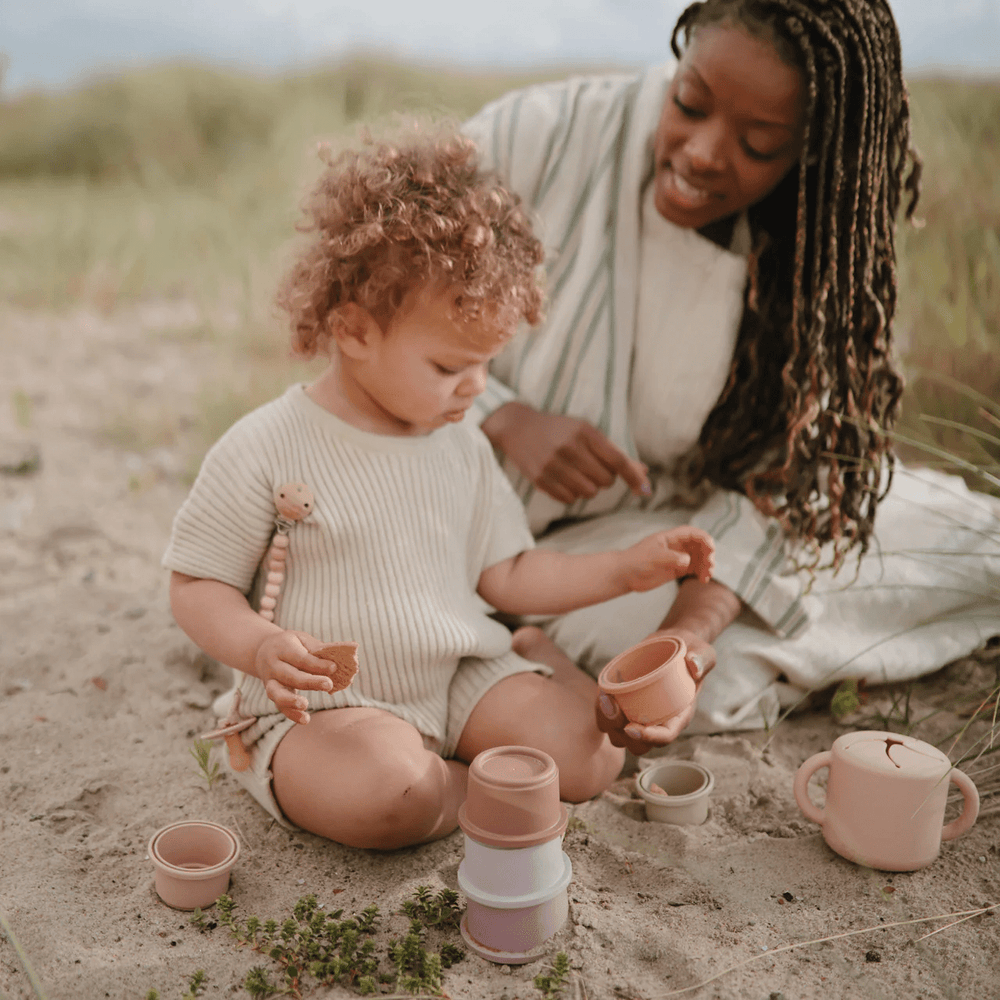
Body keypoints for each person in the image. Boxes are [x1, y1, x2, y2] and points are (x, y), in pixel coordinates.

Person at [461, 0, 1000, 754]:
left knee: (968, 544)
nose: (707, 153)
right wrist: (500, 414)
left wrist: (690, 635)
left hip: (642, 536)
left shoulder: (817, 250)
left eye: (759, 143)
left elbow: (788, 480)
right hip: (464, 528)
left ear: (811, 153)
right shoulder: (528, 139)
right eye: (689, 104)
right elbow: (365, 320)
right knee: (720, 675)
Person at [162, 130, 716, 850]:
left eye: (488, 365)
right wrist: (260, 646)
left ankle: (487, 749)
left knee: (591, 758)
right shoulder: (267, 444)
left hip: (456, 675)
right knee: (388, 796)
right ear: (354, 330)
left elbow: (509, 572)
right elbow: (196, 585)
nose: (478, 389)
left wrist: (624, 570)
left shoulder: (461, 446)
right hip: (325, 706)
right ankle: (461, 786)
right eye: (452, 366)